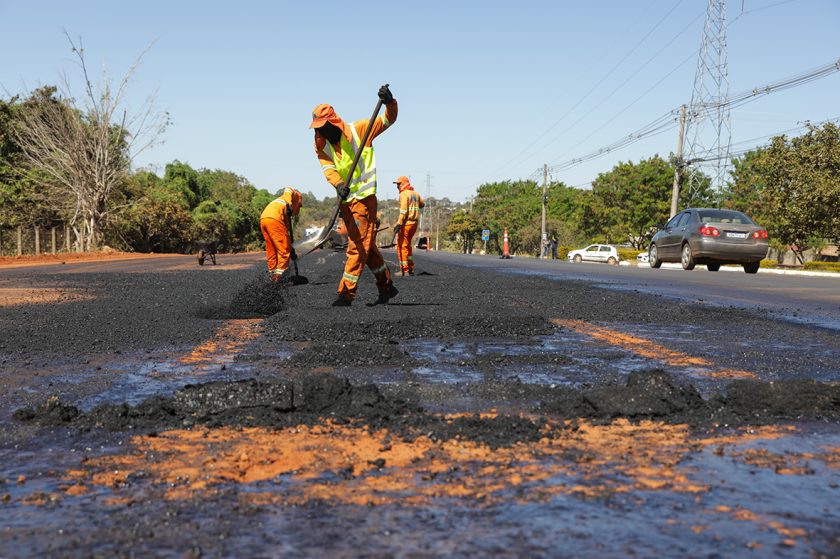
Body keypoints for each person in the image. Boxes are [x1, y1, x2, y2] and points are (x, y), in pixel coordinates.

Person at [311, 84, 399, 306]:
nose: (319, 131)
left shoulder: (360, 130)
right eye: (317, 128)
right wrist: (339, 184)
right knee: (366, 249)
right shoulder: (321, 144)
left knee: (357, 247)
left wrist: (389, 102)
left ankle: (345, 294)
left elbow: (388, 120)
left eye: (323, 126)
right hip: (346, 201)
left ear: (334, 122)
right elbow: (328, 169)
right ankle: (386, 286)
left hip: (364, 200)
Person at [260, 186, 303, 281]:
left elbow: (285, 232)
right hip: (274, 218)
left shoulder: (284, 210)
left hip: (264, 218)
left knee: (271, 248)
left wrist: (291, 249)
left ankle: (272, 274)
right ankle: (280, 277)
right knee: (284, 250)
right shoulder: (295, 196)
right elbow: (288, 189)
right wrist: (289, 203)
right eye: (299, 206)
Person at [392, 176, 424, 275]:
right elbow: (422, 204)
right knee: (408, 245)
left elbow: (403, 211)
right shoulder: (416, 193)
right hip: (414, 223)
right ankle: (410, 268)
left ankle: (404, 270)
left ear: (403, 184)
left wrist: (399, 223)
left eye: (398, 184)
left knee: (402, 246)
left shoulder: (403, 194)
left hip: (406, 223)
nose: (397, 186)